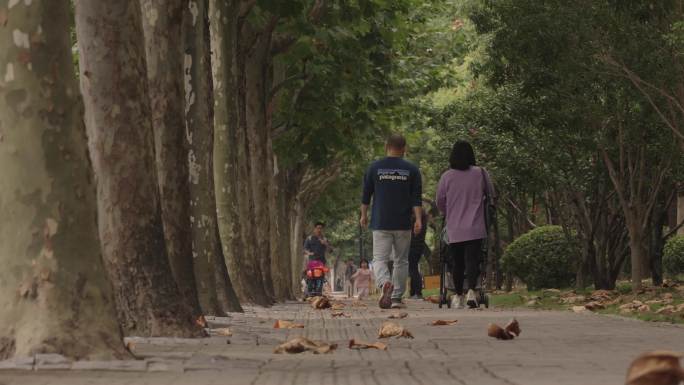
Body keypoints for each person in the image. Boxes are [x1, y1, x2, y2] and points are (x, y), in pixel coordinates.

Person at [360, 133, 423, 309]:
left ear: (386, 146)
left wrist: (363, 215)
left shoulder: (374, 167)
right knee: (401, 261)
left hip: (381, 222)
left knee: (379, 259)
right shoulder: (412, 169)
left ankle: (384, 282)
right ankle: (396, 298)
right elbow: (416, 199)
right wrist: (418, 220)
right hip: (403, 223)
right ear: (404, 148)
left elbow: (366, 196)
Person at [436, 140, 495, 309]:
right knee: (473, 259)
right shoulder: (480, 173)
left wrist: (449, 212)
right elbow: (491, 194)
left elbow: (439, 201)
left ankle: (458, 296)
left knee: (457, 262)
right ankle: (471, 291)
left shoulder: (446, 177)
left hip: (454, 227)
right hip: (476, 226)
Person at [409, 207, 428, 299]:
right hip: (419, 245)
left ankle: (417, 292)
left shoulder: (415, 218)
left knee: (413, 268)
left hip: (413, 245)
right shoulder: (422, 217)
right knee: (413, 267)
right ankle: (413, 292)